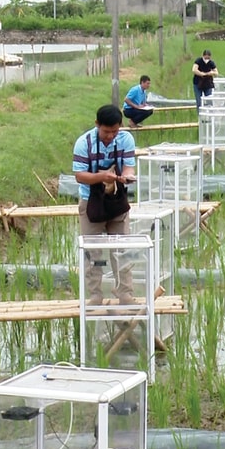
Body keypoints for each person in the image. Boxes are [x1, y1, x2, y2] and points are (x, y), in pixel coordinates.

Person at [72, 104, 137, 307]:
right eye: (106, 131)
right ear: (97, 125)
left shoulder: (126, 139)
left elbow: (128, 167)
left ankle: (125, 293)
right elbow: (80, 176)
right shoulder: (84, 143)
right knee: (93, 252)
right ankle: (95, 296)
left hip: (117, 201)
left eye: (114, 131)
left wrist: (126, 177)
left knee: (121, 249)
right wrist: (101, 177)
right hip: (91, 202)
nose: (110, 136)